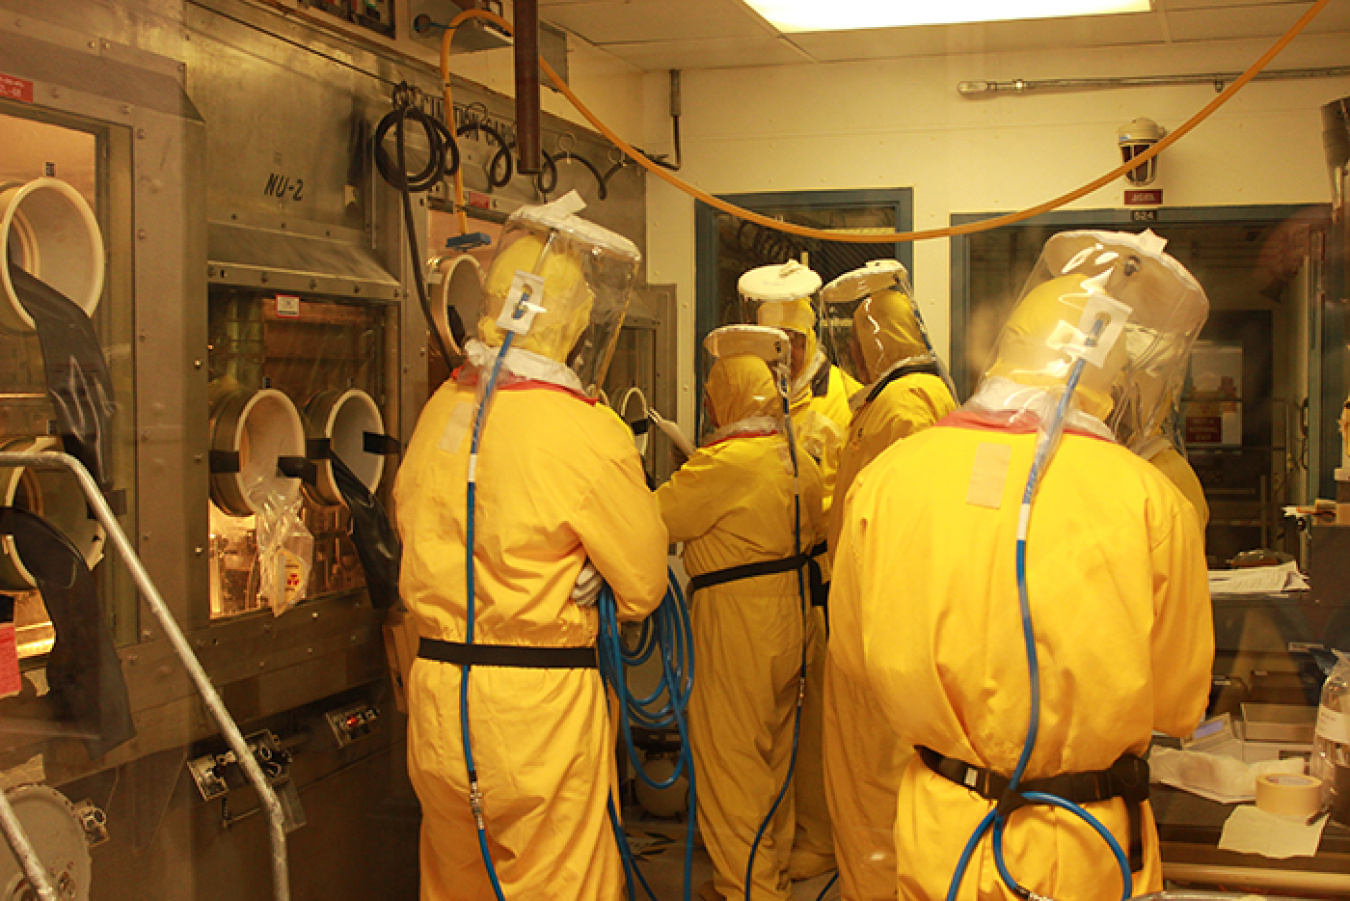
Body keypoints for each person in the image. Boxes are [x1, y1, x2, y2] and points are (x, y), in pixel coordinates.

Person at [830, 230, 1214, 901]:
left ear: (1011, 345)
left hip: (938, 830)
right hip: (1083, 840)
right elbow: (1179, 704)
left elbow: (855, 660)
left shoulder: (886, 480)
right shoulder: (1152, 500)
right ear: (1111, 377)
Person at [394, 198, 670, 901]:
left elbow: (418, 522)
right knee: (562, 880)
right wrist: (597, 575)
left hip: (438, 702)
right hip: (538, 709)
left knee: (457, 880)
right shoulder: (584, 430)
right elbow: (643, 584)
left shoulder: (439, 411)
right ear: (574, 321)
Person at [656, 326, 826, 901]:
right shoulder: (797, 457)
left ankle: (746, 888)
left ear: (728, 396)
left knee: (731, 759)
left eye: (712, 395)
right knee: (775, 755)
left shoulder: (723, 466)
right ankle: (770, 875)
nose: (708, 406)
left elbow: (655, 519)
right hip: (793, 613)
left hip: (738, 620)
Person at [818, 262, 957, 901]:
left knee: (872, 783)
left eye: (856, 340)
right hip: (890, 620)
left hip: (882, 625)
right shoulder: (913, 398)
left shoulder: (902, 407)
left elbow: (907, 524)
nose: (851, 353)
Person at [740, 261, 857, 879]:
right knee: (771, 722)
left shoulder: (846, 398)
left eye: (790, 344)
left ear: (810, 338)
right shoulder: (758, 395)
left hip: (822, 579)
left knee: (817, 725)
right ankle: (773, 841)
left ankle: (820, 833)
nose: (781, 357)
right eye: (770, 347)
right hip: (765, 580)